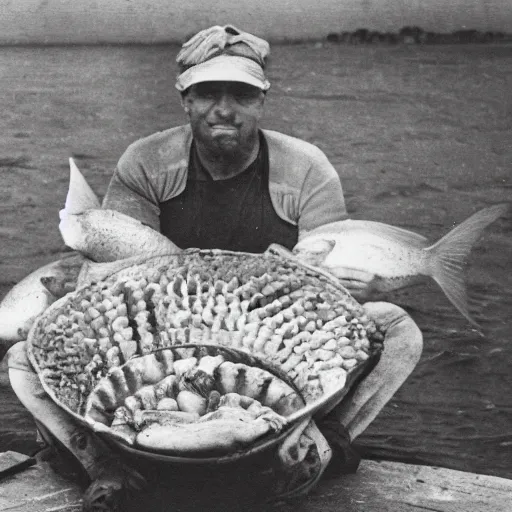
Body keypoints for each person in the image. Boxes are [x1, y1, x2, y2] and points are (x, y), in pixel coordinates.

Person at [7, 25, 423, 509]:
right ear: (185, 99)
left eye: (241, 94)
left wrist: (363, 287)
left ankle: (322, 441)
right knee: (24, 356)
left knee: (397, 329)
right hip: (160, 329)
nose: (223, 110)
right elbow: (114, 280)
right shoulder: (146, 162)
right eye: (207, 93)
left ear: (261, 100)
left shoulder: (307, 168)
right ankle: (106, 464)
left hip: (272, 332)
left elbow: (326, 293)